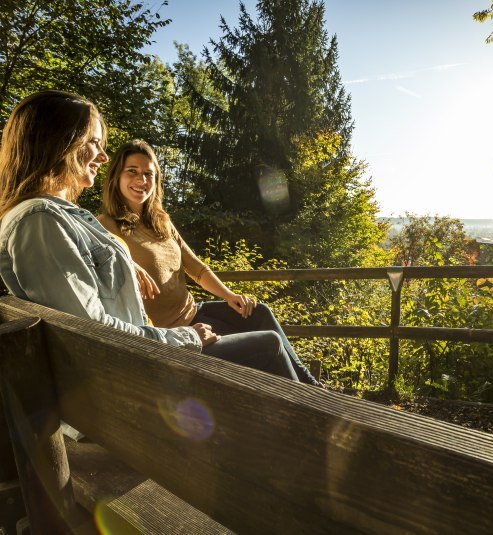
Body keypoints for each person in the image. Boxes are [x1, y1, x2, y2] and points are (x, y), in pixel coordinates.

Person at [0, 91, 302, 383]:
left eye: (150, 174)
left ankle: (315, 391)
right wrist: (187, 337)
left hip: (147, 350)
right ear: (58, 143)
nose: (103, 156)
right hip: (140, 368)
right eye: (93, 142)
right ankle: (322, 419)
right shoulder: (40, 221)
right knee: (268, 346)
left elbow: (189, 267)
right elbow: (92, 330)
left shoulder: (62, 218)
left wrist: (126, 265)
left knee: (260, 317)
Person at [98, 139, 321, 386]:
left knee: (258, 312)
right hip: (173, 336)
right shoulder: (105, 226)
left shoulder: (161, 221)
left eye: (148, 174)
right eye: (132, 172)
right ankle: (305, 406)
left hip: (195, 311)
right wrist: (130, 264)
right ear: (116, 177)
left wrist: (229, 295)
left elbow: (195, 268)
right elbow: (104, 277)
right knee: (269, 344)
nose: (141, 180)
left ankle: (312, 387)